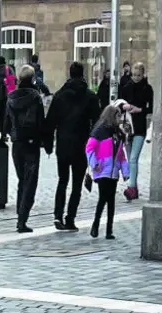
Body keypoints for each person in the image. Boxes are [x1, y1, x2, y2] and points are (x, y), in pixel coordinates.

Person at [47, 61, 96, 231]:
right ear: (82, 74)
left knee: (62, 180)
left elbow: (50, 121)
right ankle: (70, 218)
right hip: (81, 145)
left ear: (70, 73)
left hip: (63, 144)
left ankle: (57, 215)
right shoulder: (90, 96)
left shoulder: (60, 95)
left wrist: (47, 144)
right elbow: (97, 122)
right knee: (76, 184)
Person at [5, 66, 48, 233]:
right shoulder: (35, 97)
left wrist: (11, 134)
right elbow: (40, 122)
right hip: (31, 143)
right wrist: (44, 141)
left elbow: (6, 123)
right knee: (30, 182)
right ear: (32, 79)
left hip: (17, 143)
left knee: (22, 180)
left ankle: (20, 215)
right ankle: (22, 219)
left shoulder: (11, 98)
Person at [85, 103, 130, 240]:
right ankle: (96, 225)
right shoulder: (100, 131)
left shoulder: (119, 134)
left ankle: (109, 230)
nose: (120, 119)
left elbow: (121, 154)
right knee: (103, 199)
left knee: (111, 201)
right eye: (118, 116)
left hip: (113, 172)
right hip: (102, 170)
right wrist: (94, 164)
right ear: (112, 116)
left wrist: (125, 171)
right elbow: (89, 148)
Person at [117, 62, 154, 199]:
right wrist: (125, 106)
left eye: (139, 75)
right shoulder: (126, 87)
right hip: (127, 127)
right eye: (134, 75)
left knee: (133, 158)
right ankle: (134, 187)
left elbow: (151, 107)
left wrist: (140, 109)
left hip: (139, 127)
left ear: (143, 74)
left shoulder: (147, 88)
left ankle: (131, 187)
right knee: (130, 158)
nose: (136, 77)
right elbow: (119, 105)